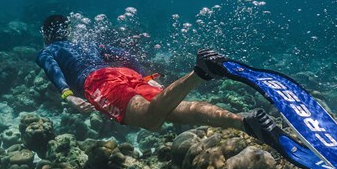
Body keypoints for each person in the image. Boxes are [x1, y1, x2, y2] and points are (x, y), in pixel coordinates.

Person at [35, 14, 285, 147]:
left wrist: (69, 96)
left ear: (46, 35)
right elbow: (125, 56)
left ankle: (199, 73)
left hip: (98, 83)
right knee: (174, 112)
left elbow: (53, 71)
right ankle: (245, 122)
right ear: (67, 30)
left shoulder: (49, 50)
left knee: (149, 119)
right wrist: (145, 77)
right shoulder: (87, 43)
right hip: (123, 74)